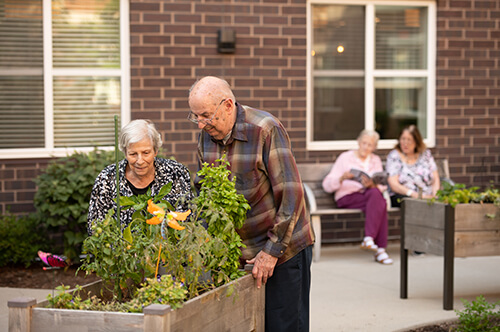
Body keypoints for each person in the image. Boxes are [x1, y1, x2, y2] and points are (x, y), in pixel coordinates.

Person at [188, 76, 315, 332]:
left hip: (283, 250)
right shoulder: (206, 137)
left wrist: (270, 252)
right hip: (242, 254)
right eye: (195, 116)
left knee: (283, 326)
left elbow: (291, 196)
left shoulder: (265, 129)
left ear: (227, 105)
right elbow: (206, 197)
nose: (201, 124)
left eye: (205, 115)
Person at [87, 119, 193, 235]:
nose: (140, 161)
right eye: (133, 154)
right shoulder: (107, 179)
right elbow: (95, 227)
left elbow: (188, 219)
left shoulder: (176, 173)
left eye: (146, 153)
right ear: (125, 153)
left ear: (155, 151)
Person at [322, 130, 393, 265]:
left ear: (374, 147)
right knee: (381, 203)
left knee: (377, 197)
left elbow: (382, 186)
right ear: (358, 142)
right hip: (347, 197)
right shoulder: (345, 158)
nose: (366, 147)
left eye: (370, 145)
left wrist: (372, 184)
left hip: (368, 196)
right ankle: (380, 249)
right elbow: (327, 185)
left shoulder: (375, 160)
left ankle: (370, 240)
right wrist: (341, 178)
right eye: (364, 143)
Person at [386, 125, 440, 208]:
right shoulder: (394, 156)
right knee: (415, 204)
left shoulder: (425, 154)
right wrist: (414, 195)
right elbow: (394, 184)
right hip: (405, 196)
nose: (405, 143)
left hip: (428, 195)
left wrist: (435, 195)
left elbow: (435, 178)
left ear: (416, 142)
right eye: (403, 139)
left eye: (409, 140)